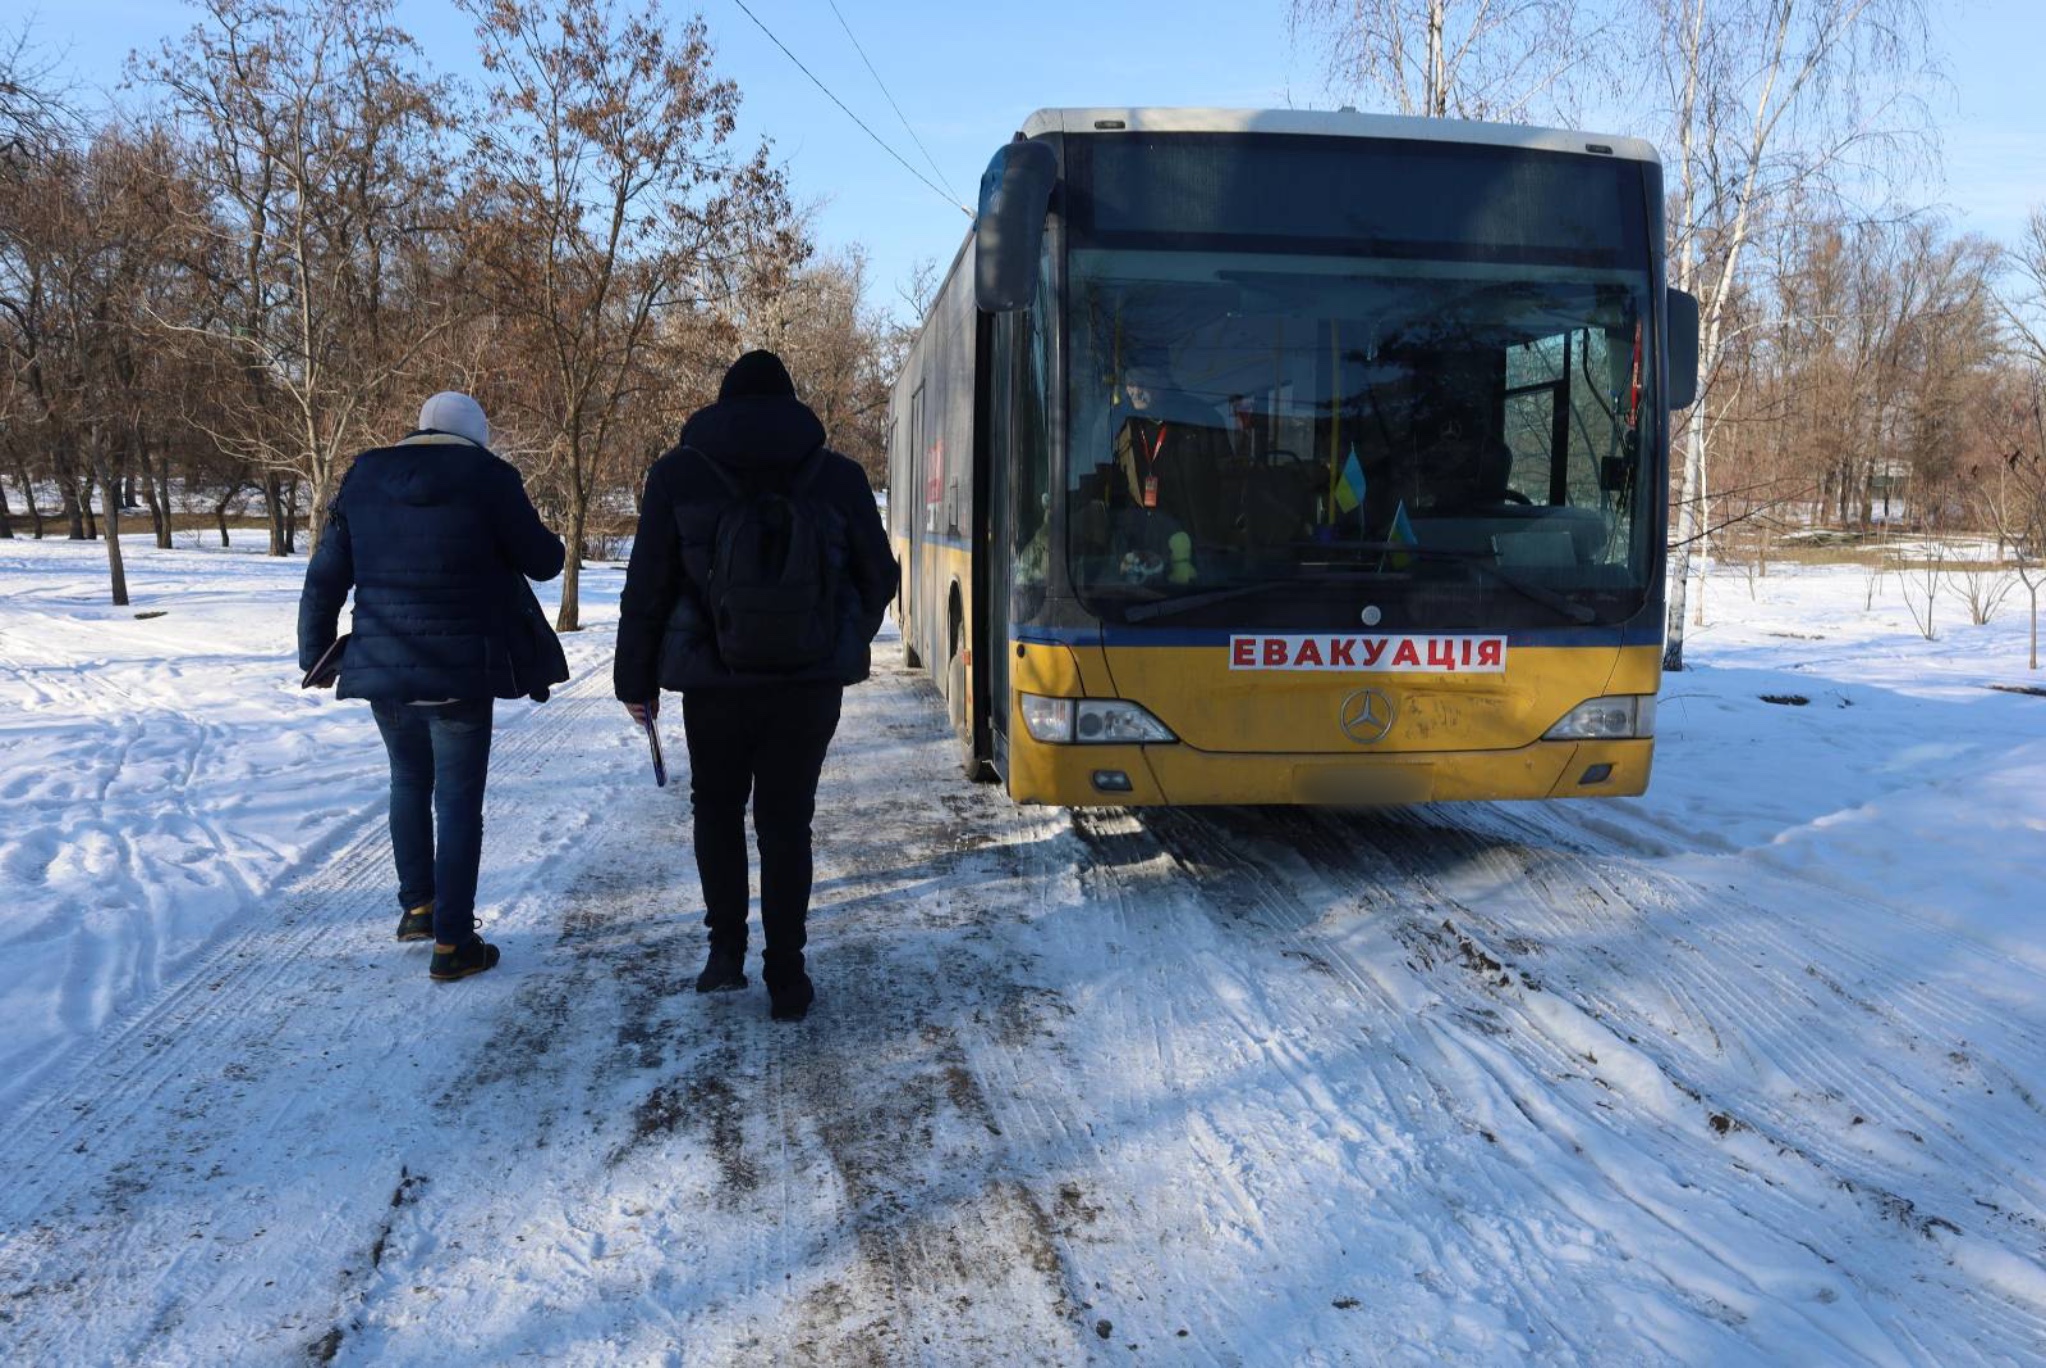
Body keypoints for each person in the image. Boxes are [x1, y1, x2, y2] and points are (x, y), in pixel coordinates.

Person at [614, 350, 896, 1023]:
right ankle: (787, 974)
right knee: (786, 821)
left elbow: (646, 587)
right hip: (807, 685)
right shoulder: (839, 477)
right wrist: (837, 637)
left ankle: (725, 952)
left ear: (722, 404)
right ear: (792, 405)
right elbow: (879, 576)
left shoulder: (676, 475)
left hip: (713, 683)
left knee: (715, 809)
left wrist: (636, 680)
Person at [298, 391, 567, 982]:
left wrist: (314, 653)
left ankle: (419, 907)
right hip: (461, 669)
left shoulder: (363, 477)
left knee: (408, 779)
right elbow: (544, 561)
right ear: (476, 435)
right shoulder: (489, 478)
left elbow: (325, 576)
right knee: (457, 800)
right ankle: (453, 942)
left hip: (384, 664)